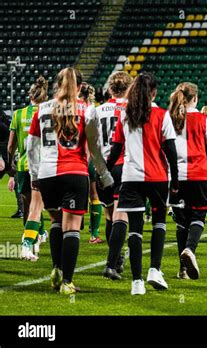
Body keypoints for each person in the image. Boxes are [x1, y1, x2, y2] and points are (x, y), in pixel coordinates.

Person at [27, 67, 113, 294]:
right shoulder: (87, 109)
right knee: (72, 227)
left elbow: (31, 145)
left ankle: (56, 269)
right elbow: (94, 147)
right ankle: (67, 281)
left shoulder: (42, 108)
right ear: (82, 87)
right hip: (74, 173)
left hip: (47, 174)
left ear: (57, 84)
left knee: (56, 221)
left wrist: (34, 175)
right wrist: (104, 175)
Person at [107, 72, 178, 295]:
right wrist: (175, 180)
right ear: (154, 92)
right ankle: (154, 270)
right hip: (157, 178)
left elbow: (116, 149)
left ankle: (136, 282)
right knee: (159, 224)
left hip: (131, 178)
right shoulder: (162, 115)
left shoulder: (125, 116)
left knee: (135, 231)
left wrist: (106, 172)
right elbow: (172, 152)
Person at [168, 82, 207, 279]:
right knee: (198, 216)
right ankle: (190, 250)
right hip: (198, 174)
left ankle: (182, 269)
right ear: (196, 98)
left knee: (181, 221)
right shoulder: (204, 119)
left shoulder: (171, 118)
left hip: (175, 176)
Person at [89, 71, 132, 280]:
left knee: (108, 214)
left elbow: (91, 141)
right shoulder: (132, 110)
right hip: (124, 165)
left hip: (101, 166)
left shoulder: (97, 110)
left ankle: (115, 259)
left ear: (111, 89)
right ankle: (112, 263)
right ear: (128, 88)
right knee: (120, 215)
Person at [8, 76, 49, 261]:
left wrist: (11, 164)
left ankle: (31, 244)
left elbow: (10, 146)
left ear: (29, 95)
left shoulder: (17, 114)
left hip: (24, 165)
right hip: (46, 165)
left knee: (28, 206)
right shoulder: (49, 112)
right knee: (40, 205)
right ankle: (39, 238)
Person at [79, 82, 104, 243]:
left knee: (75, 193)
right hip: (93, 157)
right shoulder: (95, 110)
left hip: (76, 156)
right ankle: (94, 233)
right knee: (94, 195)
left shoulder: (74, 108)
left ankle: (70, 227)